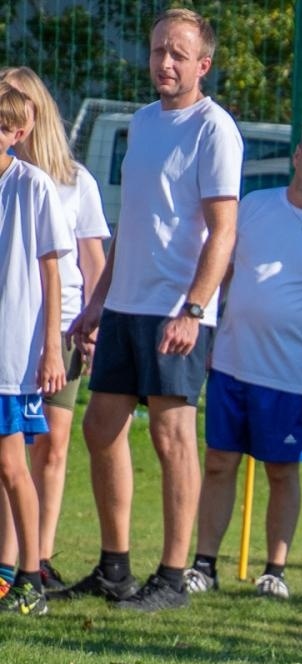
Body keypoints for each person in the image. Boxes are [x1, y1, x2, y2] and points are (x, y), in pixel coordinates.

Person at [64, 7, 243, 612]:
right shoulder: (141, 123)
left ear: (203, 64)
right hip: (125, 305)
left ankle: (171, 578)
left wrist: (193, 309)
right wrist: (96, 302)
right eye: (157, 50)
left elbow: (223, 231)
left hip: (178, 309)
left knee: (172, 437)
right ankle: (114, 570)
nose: (164, 63)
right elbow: (132, 226)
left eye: (178, 54)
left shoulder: (214, 129)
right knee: (99, 427)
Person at [182, 126, 302, 600]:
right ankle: (204, 565)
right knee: (220, 463)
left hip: (291, 380)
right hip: (230, 365)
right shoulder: (254, 207)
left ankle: (275, 572)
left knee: (282, 472)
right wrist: (204, 340)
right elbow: (222, 277)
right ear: (297, 156)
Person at [0, 67, 109, 596]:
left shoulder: (69, 181)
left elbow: (90, 260)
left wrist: (87, 324)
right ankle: (11, 561)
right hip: (15, 331)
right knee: (12, 450)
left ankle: (35, 561)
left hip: (53, 332)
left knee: (51, 446)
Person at [0, 87, 70, 615]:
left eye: (3, 128)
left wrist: (52, 348)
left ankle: (31, 575)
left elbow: (53, 272)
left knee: (11, 465)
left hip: (11, 356)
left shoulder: (33, 186)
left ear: (18, 134)